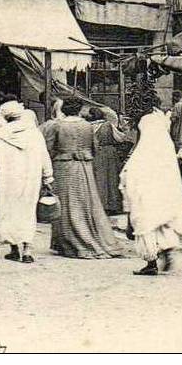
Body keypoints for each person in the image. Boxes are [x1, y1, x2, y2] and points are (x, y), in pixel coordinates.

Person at [120, 93, 182, 276]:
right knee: (162, 222)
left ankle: (151, 263)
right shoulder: (165, 146)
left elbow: (130, 174)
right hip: (163, 193)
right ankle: (167, 250)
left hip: (146, 193)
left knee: (146, 223)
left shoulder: (145, 148)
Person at [43, 97, 122, 259]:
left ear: (64, 110)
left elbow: (49, 149)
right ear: (79, 110)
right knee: (87, 203)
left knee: (65, 205)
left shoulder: (58, 126)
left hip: (63, 166)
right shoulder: (87, 126)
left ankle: (68, 242)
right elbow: (94, 148)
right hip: (85, 167)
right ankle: (91, 238)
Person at [0, 101, 55, 264]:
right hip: (30, 179)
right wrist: (48, 178)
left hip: (7, 181)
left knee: (8, 212)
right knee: (28, 212)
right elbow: (44, 157)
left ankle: (14, 248)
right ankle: (27, 250)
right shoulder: (35, 134)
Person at [88, 107, 131, 215]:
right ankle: (112, 205)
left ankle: (99, 205)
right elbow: (120, 138)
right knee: (111, 178)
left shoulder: (89, 127)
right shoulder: (108, 125)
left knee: (99, 179)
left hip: (96, 153)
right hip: (110, 153)